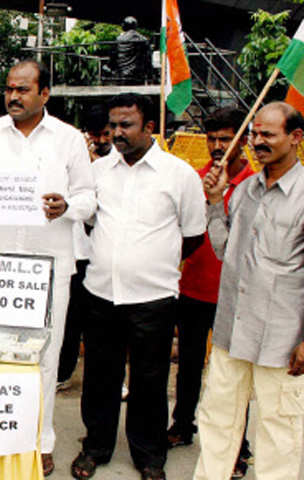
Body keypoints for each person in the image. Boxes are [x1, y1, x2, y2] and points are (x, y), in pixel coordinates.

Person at [0, 59, 94, 476]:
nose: (13, 96)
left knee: (45, 358)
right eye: (9, 89)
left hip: (49, 267)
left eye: (23, 90)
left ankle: (40, 440)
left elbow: (88, 198)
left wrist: (66, 206)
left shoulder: (68, 140)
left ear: (44, 94)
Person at [73, 93, 205, 480]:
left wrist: (151, 260)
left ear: (150, 127)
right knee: (100, 376)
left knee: (149, 379)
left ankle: (149, 456)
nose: (116, 132)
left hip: (154, 297)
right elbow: (87, 222)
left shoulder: (179, 175)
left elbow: (193, 235)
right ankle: (95, 447)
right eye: (113, 125)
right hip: (100, 292)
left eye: (125, 125)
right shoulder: (97, 172)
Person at [194, 102, 304, 480]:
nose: (257, 142)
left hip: (281, 340)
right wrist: (213, 203)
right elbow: (225, 250)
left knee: (279, 429)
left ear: (296, 138)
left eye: (268, 135)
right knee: (216, 420)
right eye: (255, 134)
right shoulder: (244, 191)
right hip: (231, 331)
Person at [168, 107, 255, 478]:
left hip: (236, 296)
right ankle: (182, 424)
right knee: (188, 365)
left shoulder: (257, 182)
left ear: (244, 140)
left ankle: (237, 445)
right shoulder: (195, 178)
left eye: (226, 138)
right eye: (213, 139)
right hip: (193, 288)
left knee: (234, 375)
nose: (219, 146)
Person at [57, 103, 113, 391]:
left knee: (99, 326)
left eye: (106, 135)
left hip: (103, 256)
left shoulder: (114, 166)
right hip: (76, 251)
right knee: (69, 319)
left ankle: (115, 381)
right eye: (95, 135)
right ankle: (63, 373)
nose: (101, 141)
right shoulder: (80, 162)